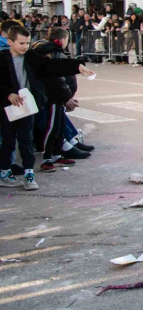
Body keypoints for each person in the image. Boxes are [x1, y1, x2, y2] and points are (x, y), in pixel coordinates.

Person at [0, 26, 93, 190]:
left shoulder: (30, 57)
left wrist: (77, 66)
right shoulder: (2, 59)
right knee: (7, 141)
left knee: (26, 140)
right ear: (10, 42)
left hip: (27, 106)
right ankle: (5, 172)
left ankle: (29, 174)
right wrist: (8, 94)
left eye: (27, 43)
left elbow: (52, 65)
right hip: (8, 107)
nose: (25, 47)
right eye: (21, 43)